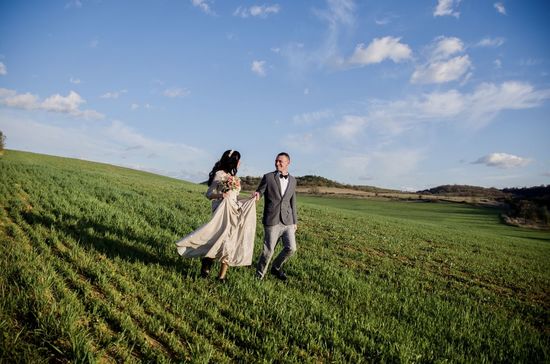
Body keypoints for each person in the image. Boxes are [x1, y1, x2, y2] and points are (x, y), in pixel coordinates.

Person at [176, 150, 256, 281]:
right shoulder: (220, 174)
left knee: (231, 242)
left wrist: (248, 198)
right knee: (217, 239)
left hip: (234, 211)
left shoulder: (233, 177)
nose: (240, 162)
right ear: (233, 161)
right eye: (239, 159)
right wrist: (221, 195)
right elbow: (209, 194)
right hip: (222, 212)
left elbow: (234, 196)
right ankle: (206, 265)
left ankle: (221, 277)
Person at [254, 152, 298, 281]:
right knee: (268, 251)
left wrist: (295, 221)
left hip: (288, 221)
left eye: (280, 161)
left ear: (288, 163)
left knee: (291, 248)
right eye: (276, 161)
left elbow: (293, 201)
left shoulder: (293, 180)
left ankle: (276, 267)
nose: (277, 163)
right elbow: (260, 192)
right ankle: (258, 277)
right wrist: (257, 195)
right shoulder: (268, 177)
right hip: (272, 220)